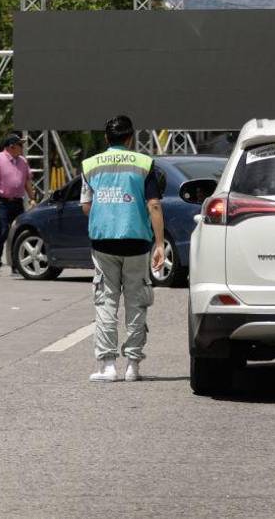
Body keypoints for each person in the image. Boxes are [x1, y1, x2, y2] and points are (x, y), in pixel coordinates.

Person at [80, 114, 166, 383]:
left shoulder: (89, 165)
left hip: (103, 242)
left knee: (106, 301)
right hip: (137, 242)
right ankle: (133, 366)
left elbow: (85, 206)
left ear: (107, 138)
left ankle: (107, 366)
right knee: (136, 302)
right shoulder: (144, 163)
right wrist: (160, 243)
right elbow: (153, 205)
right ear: (130, 138)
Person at [0, 134, 35, 277]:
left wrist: (32, 198)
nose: (22, 148)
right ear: (12, 146)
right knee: (4, 231)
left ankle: (16, 266)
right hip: (1, 202)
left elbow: (27, 182)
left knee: (18, 233)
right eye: (20, 145)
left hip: (17, 202)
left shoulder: (23, 162)